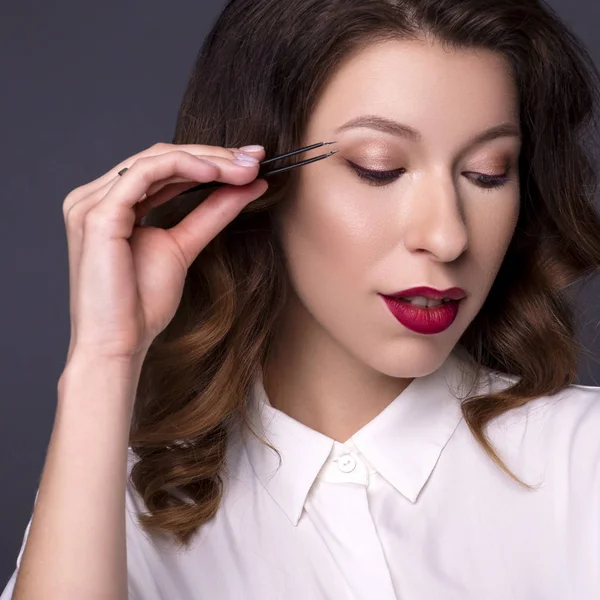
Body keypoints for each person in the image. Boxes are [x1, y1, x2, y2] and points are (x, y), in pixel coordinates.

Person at [3, 0, 600, 598]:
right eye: (379, 168)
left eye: (488, 173)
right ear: (256, 178)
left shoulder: (584, 461)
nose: (447, 236)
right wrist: (103, 360)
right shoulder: (110, 513)